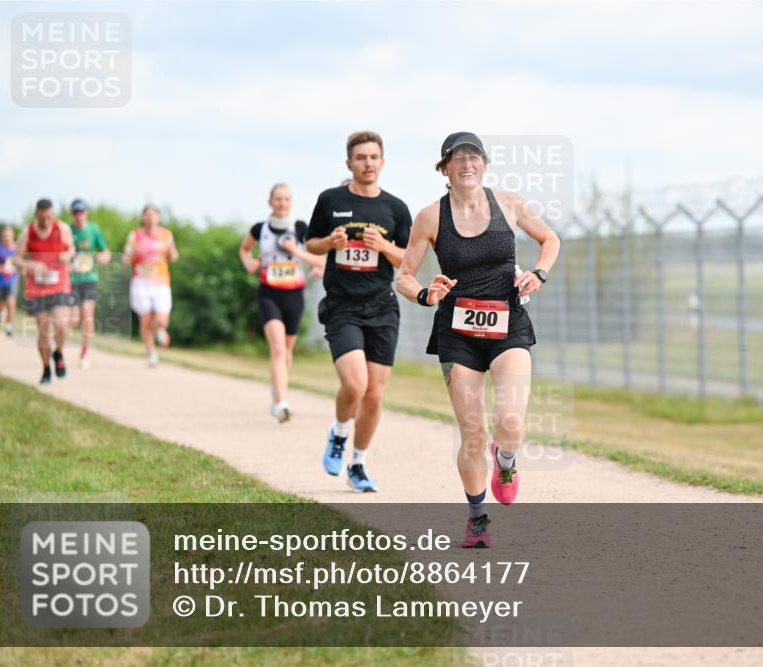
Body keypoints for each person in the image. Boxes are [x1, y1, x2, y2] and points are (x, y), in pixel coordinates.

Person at [396, 132, 560, 548]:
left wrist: (538, 273)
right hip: (457, 333)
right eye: (457, 158)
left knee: (510, 420)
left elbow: (550, 240)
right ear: (444, 168)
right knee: (471, 432)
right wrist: (424, 294)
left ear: (484, 164)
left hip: (508, 326)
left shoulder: (508, 202)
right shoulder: (431, 216)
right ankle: (477, 517)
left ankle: (505, 461)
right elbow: (403, 275)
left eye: (474, 157)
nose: (466, 164)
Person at [305, 131, 412, 493]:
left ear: (383, 162)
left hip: (382, 307)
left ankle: (358, 463)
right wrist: (329, 243)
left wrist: (383, 245)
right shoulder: (330, 200)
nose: (368, 163)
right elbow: (312, 244)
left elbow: (407, 259)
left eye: (373, 157)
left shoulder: (395, 208)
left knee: (374, 395)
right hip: (342, 306)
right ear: (349, 163)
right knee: (355, 384)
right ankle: (338, 433)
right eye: (361, 157)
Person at [240, 183, 325, 423]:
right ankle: (281, 403)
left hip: (294, 294)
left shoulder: (299, 228)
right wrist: (249, 262)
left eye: (287, 199)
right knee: (277, 348)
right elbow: (245, 250)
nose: (282, 203)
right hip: (269, 293)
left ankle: (278, 389)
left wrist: (297, 253)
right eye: (278, 199)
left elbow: (318, 259)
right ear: (270, 202)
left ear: (291, 202)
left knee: (287, 350)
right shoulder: (260, 229)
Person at [16, 199, 77, 384]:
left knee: (62, 324)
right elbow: (16, 259)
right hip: (37, 288)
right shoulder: (28, 232)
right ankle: (45, 369)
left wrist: (68, 254)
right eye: (43, 218)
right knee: (44, 330)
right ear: (37, 215)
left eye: (50, 217)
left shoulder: (63, 229)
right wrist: (30, 264)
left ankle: (58, 353)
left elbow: (72, 249)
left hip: (59, 284)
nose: (47, 222)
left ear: (53, 214)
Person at [122, 204, 178, 366]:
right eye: (147, 214)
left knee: (161, 320)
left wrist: (170, 252)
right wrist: (132, 255)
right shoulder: (135, 235)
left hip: (160, 282)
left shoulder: (166, 235)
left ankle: (160, 329)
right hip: (140, 282)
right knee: (145, 320)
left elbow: (174, 256)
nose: (150, 217)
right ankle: (151, 353)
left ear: (158, 217)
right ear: (142, 217)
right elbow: (126, 259)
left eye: (153, 214)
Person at [67, 198, 111, 369]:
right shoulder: (68, 230)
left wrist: (103, 257)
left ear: (87, 212)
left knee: (87, 314)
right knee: (73, 318)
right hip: (71, 280)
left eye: (82, 211)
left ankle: (84, 353)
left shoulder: (94, 229)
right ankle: (61, 343)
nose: (79, 215)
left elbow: (106, 252)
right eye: (76, 212)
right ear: (72, 214)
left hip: (89, 279)